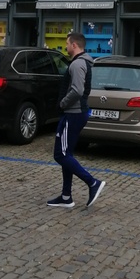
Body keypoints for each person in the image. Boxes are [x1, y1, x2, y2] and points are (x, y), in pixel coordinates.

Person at [47, 32, 105, 209]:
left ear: (74, 45)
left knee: (60, 154)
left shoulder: (78, 64)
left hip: (73, 113)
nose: (65, 46)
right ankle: (66, 196)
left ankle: (93, 183)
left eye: (67, 43)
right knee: (67, 155)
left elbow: (77, 90)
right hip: (75, 113)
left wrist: (63, 103)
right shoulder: (82, 62)